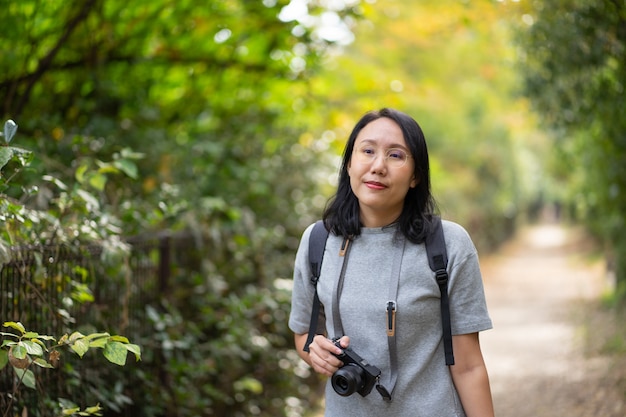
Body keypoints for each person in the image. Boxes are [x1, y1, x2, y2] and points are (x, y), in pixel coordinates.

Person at [288, 108, 494, 417]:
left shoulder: (448, 245)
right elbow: (303, 334)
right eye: (367, 151)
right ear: (348, 164)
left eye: (395, 156)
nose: (378, 166)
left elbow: (468, 366)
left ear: (416, 176)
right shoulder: (318, 241)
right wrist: (315, 353)